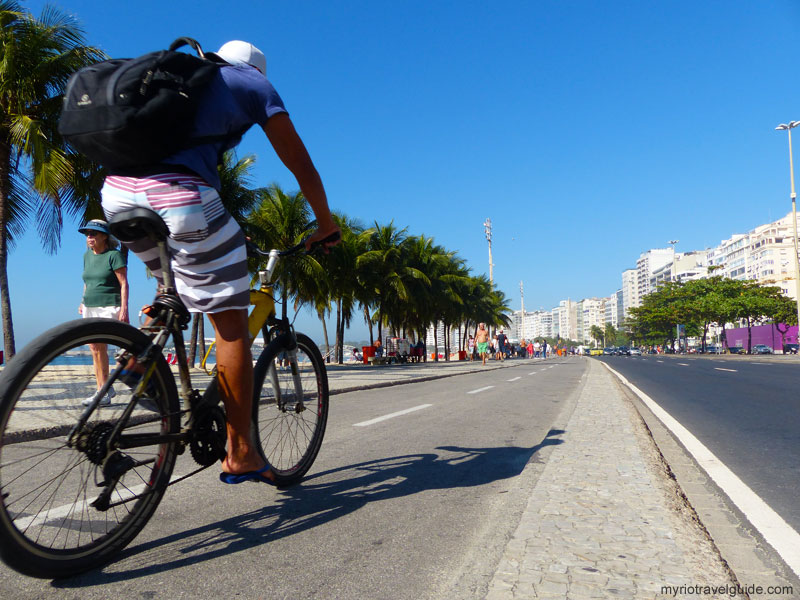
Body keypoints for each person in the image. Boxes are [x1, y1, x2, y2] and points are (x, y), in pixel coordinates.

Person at [100, 40, 340, 486]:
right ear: (257, 70)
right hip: (180, 198)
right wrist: (325, 224)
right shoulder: (253, 83)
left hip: (116, 194)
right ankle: (241, 452)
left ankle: (137, 362)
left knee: (173, 284)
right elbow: (301, 165)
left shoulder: (186, 78)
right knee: (231, 326)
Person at [78, 219, 129, 406]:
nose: (89, 237)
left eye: (93, 233)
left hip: (108, 306)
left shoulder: (114, 256)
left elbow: (124, 284)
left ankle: (103, 391)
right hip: (90, 305)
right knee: (94, 348)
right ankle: (103, 388)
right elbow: (87, 281)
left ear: (104, 236)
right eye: (87, 234)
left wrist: (124, 309)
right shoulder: (87, 256)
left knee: (101, 348)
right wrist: (82, 301)